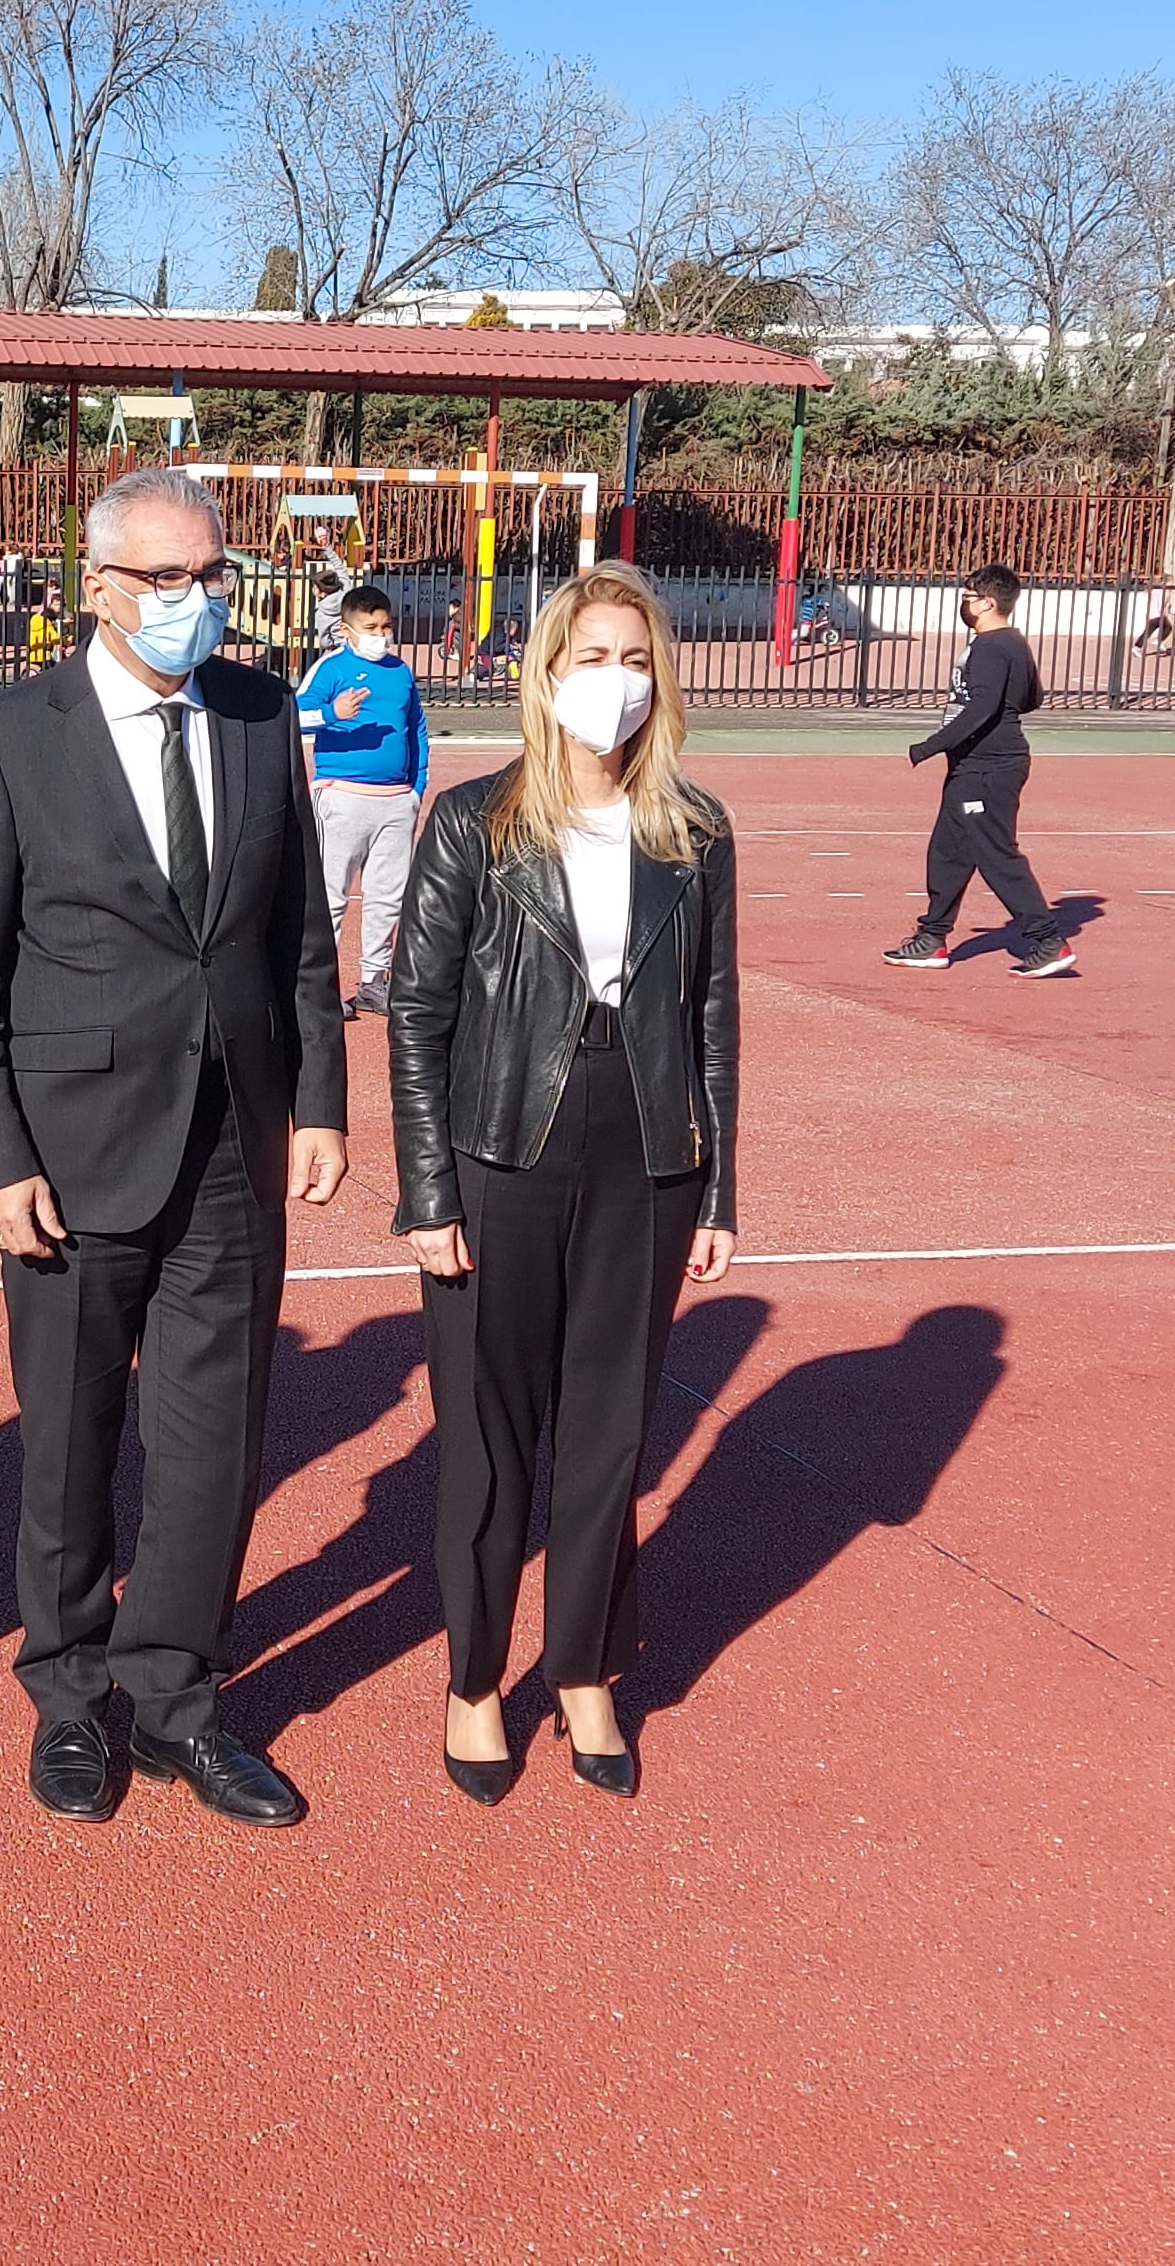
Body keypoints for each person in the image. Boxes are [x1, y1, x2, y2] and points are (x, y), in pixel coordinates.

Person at [0, 464, 348, 1829]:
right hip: (69, 1150)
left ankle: (178, 1700)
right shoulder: (0, 739)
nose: (192, 600)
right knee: (68, 1439)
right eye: (162, 578)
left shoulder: (261, 712)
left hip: (235, 1139)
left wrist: (323, 1104)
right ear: (94, 587)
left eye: (210, 575)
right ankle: (66, 1693)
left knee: (215, 1438)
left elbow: (299, 937)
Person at [387, 563, 741, 1803]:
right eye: (592, 657)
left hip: (643, 1151)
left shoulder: (693, 832)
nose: (617, 683)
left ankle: (584, 1665)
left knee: (610, 1436)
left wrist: (718, 1188)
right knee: (488, 1440)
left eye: (635, 659)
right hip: (500, 1152)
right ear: (546, 675)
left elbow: (711, 1016)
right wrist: (427, 1194)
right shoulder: (472, 824)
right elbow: (416, 1013)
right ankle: (474, 1679)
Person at [883, 564, 1073, 978]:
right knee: (948, 852)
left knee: (996, 853)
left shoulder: (992, 647)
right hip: (973, 766)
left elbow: (983, 707)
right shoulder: (1009, 644)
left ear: (988, 602)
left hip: (989, 769)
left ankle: (1047, 940)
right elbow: (1031, 697)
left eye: (968, 597)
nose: (963, 603)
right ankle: (931, 938)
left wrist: (931, 746)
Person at [299, 583, 430, 1021]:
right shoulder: (330, 669)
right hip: (343, 798)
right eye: (370, 627)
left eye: (386, 626)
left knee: (388, 897)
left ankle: (375, 979)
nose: (381, 634)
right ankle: (320, 987)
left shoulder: (400, 671)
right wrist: (333, 714)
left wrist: (417, 787)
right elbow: (293, 717)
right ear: (347, 630)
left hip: (395, 801)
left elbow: (417, 728)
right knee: (330, 897)